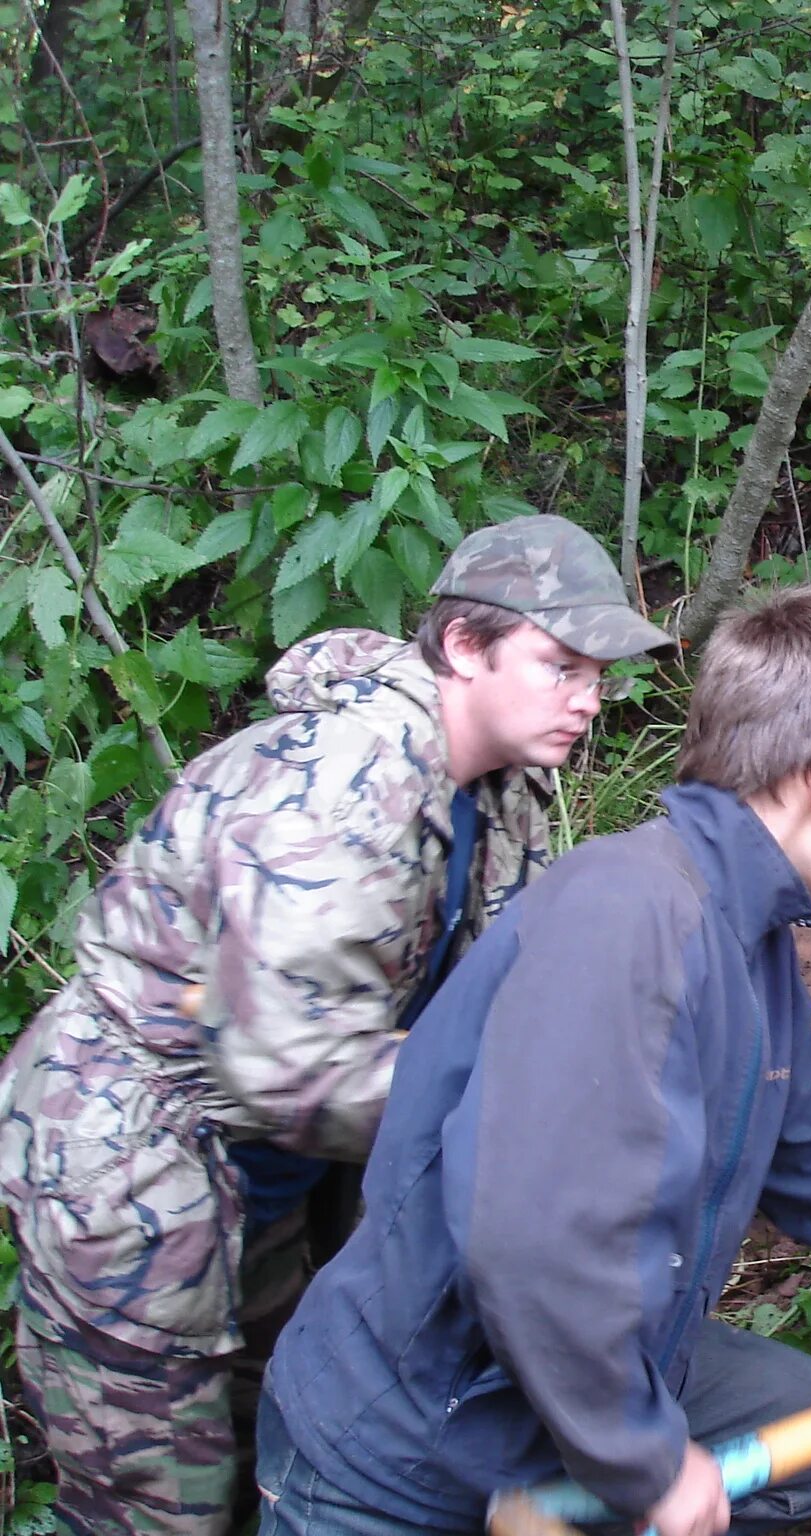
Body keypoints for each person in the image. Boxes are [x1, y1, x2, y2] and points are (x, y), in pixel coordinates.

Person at [254, 587, 811, 1536]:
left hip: (580, 1385)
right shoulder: (627, 920)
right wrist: (647, 1461)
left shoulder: (739, 930)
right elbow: (531, 1243)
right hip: (419, 1445)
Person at [0, 514, 674, 1536]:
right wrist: (538, 1108)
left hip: (269, 1177)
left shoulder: (500, 784)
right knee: (157, 1503)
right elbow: (290, 1067)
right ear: (462, 647)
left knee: (283, 1430)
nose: (588, 698)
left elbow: (504, 979)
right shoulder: (331, 792)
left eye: (598, 674)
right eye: (560, 665)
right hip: (132, 1172)